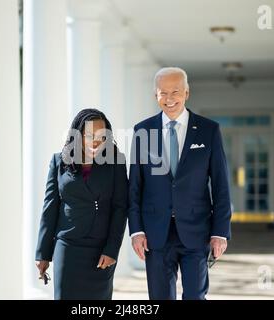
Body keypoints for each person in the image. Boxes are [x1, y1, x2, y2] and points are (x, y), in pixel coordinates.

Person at [128, 67, 231, 300]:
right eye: (163, 92)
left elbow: (221, 185)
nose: (169, 98)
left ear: (187, 93)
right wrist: (136, 230)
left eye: (175, 91)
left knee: (195, 296)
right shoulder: (142, 131)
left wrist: (220, 232)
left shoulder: (208, 130)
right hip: (155, 233)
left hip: (197, 230)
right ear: (155, 95)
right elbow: (134, 186)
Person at [35, 108, 128, 300]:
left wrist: (112, 250)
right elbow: (50, 208)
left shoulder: (116, 162)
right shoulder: (59, 161)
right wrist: (43, 253)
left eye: (102, 136)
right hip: (68, 246)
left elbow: (120, 208)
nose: (96, 141)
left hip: (101, 249)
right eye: (89, 135)